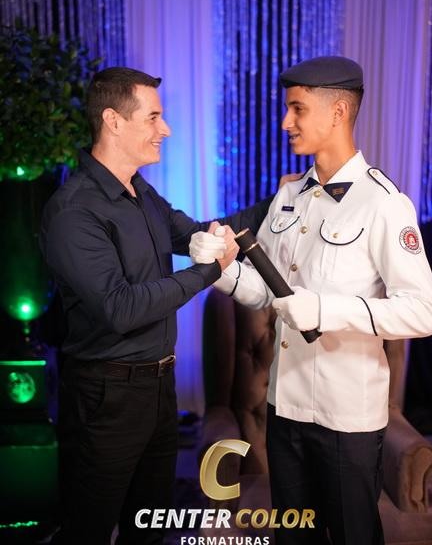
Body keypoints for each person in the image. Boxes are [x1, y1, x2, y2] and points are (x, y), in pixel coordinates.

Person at [191, 56, 432, 544]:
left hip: (346, 417)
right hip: (284, 408)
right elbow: (266, 292)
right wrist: (221, 269)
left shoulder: (384, 204)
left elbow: (423, 312)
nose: (286, 122)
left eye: (298, 109)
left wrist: (325, 310)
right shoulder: (290, 197)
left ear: (338, 112)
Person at [40, 66, 277, 544]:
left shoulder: (141, 192)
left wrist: (283, 199)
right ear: (113, 120)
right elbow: (121, 308)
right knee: (87, 531)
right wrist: (208, 272)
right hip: (105, 398)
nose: (164, 129)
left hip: (158, 388)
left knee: (148, 527)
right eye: (153, 117)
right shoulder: (73, 210)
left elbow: (203, 234)